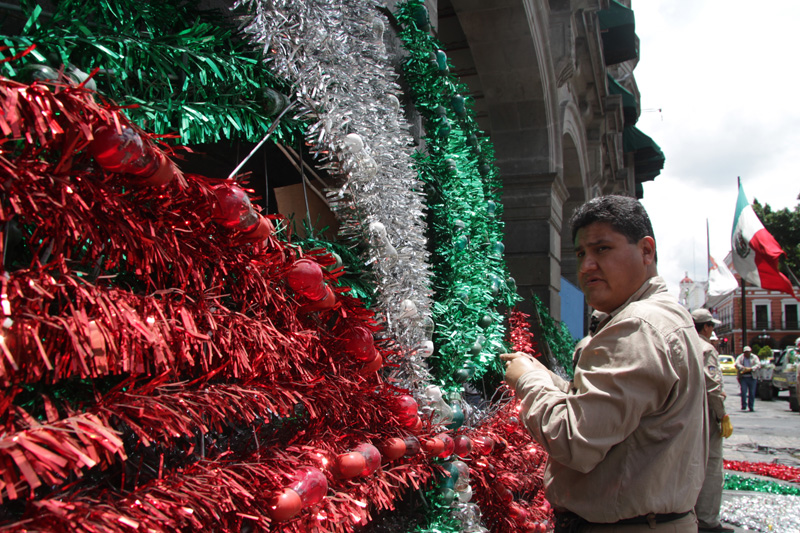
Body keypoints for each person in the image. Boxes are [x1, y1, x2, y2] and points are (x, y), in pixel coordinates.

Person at [501, 195, 708, 532]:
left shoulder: (638, 325)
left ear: (646, 250)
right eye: (581, 253)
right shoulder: (659, 315)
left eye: (602, 249)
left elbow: (573, 440)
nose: (586, 266)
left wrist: (528, 381)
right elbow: (610, 413)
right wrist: (546, 377)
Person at [691, 308, 734, 533]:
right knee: (711, 467)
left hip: (685, 416)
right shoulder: (706, 349)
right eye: (712, 326)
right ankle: (707, 520)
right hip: (706, 415)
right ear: (706, 327)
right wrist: (722, 415)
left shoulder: (685, 344)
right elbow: (713, 387)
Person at [735, 346, 760, 412]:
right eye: (745, 352)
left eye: (748, 352)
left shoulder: (754, 357)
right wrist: (743, 368)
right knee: (743, 392)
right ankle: (743, 405)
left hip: (752, 377)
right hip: (744, 377)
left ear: (750, 352)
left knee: (752, 393)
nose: (747, 354)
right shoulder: (741, 357)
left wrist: (752, 368)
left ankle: (751, 406)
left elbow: (758, 364)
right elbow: (736, 364)